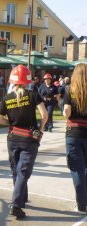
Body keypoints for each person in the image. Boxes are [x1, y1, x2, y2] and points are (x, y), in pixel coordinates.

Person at [0, 65, 48, 219]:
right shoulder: (33, 95)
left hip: (12, 138)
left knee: (16, 171)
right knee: (23, 172)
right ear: (27, 80)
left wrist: (11, 123)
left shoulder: (7, 97)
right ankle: (16, 205)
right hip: (29, 139)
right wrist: (41, 129)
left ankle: (21, 198)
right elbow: (44, 115)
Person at [63, 64, 87, 214]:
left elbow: (66, 112)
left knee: (77, 170)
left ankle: (81, 204)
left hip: (74, 133)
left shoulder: (69, 90)